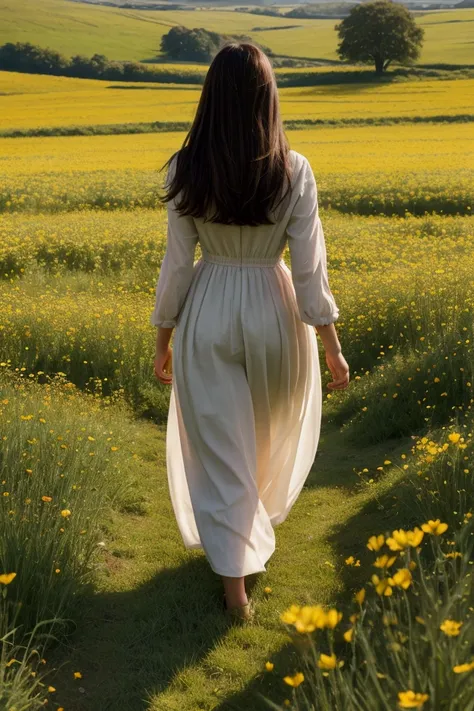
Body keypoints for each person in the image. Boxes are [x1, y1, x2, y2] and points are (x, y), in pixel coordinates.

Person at [150, 42, 350, 623]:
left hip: (208, 308)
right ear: (268, 98)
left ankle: (236, 568)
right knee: (264, 438)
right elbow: (312, 271)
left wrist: (163, 336)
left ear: (210, 99)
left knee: (222, 448)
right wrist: (333, 349)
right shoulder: (295, 169)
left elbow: (177, 264)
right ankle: (240, 571)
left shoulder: (185, 167)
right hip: (274, 312)